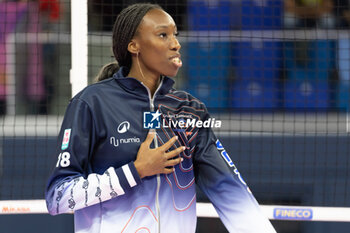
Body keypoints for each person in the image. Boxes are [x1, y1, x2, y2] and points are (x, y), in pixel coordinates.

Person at [45, 3, 276, 233]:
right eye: (163, 35)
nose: (176, 44)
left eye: (175, 35)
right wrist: (136, 170)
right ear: (134, 46)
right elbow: (57, 197)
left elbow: (229, 188)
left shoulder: (189, 110)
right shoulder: (91, 103)